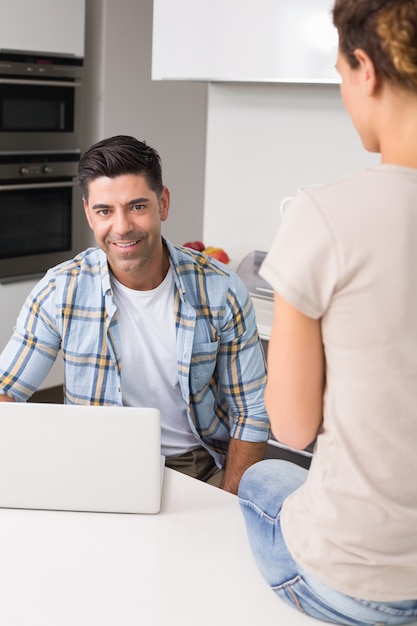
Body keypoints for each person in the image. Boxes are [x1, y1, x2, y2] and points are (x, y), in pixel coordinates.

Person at [238, 0, 417, 624]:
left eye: (340, 73)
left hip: (361, 586)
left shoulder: (321, 215)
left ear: (365, 67)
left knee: (265, 484)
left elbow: (291, 427)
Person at [0, 135, 269, 495]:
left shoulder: (221, 290)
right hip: (92, 467)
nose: (122, 226)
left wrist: (231, 500)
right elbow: (6, 392)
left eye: (137, 207)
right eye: (105, 211)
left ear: (164, 203)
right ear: (89, 215)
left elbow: (251, 411)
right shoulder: (59, 290)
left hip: (196, 468)